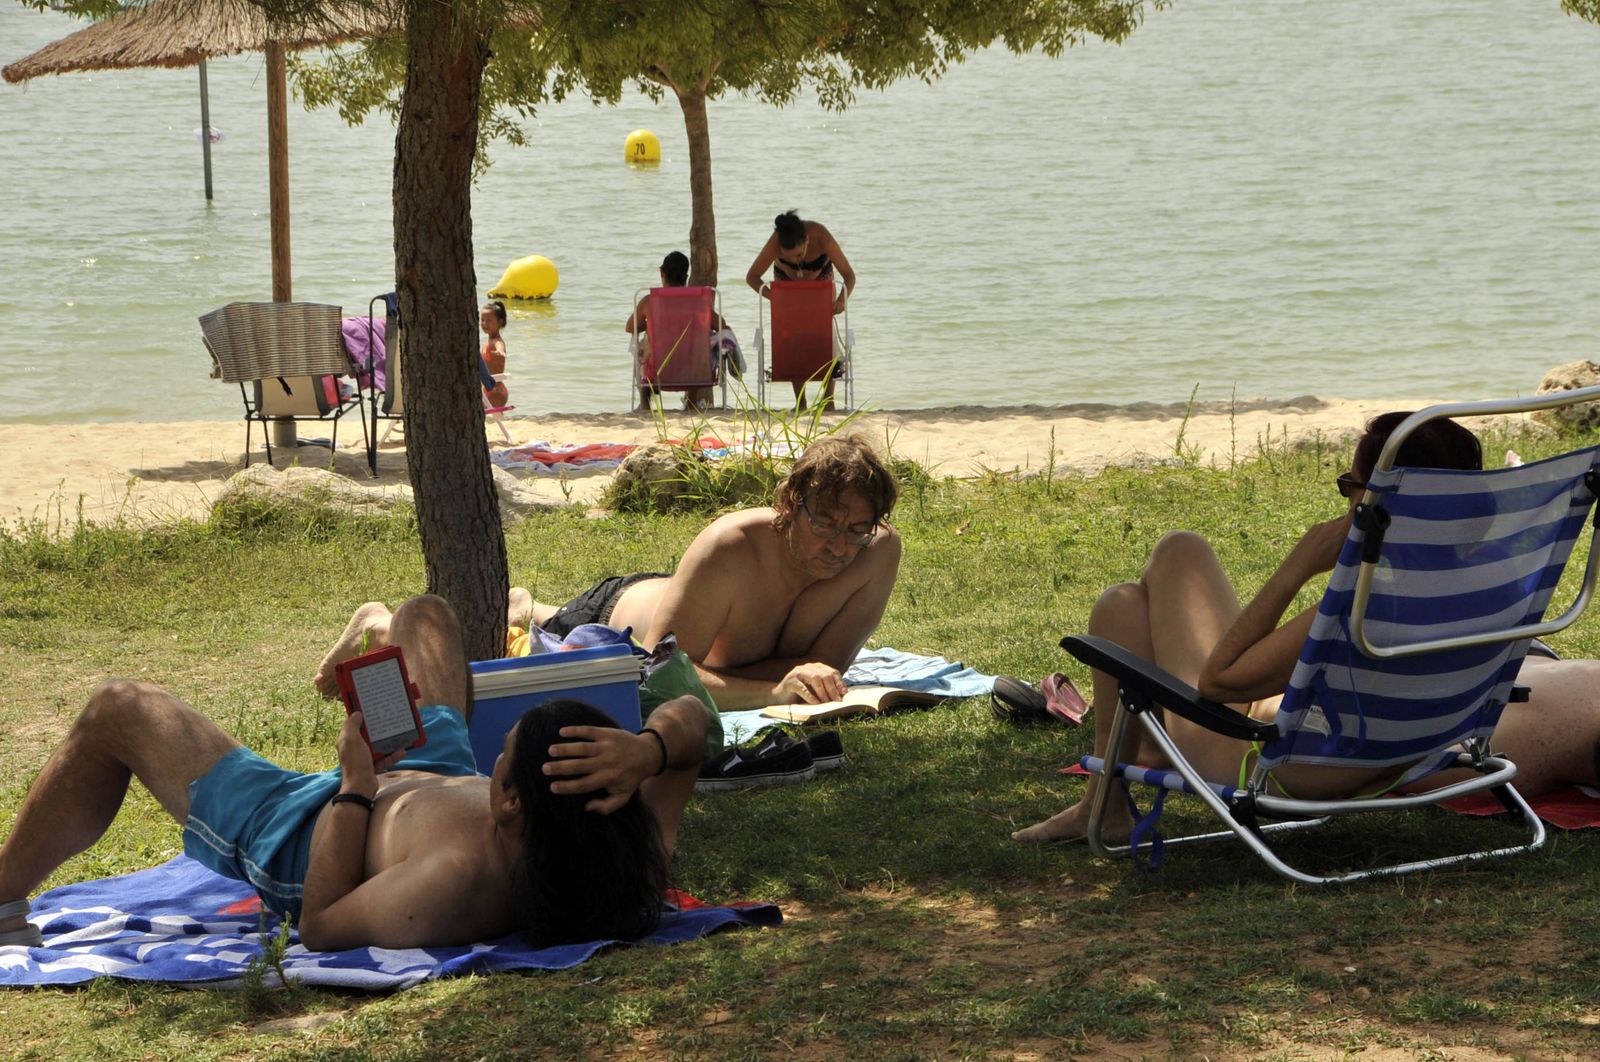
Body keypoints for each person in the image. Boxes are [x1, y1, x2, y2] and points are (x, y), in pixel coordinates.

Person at [1012, 412, 1600, 845]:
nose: (1346, 501)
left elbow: (1220, 686)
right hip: (1401, 756)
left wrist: (1299, 564)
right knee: (1121, 605)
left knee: (1179, 550)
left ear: (1376, 499)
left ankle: (1111, 792)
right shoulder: (1497, 589)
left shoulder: (1365, 607)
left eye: (1350, 487)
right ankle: (1106, 798)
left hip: (1282, 773)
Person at [0, 595, 709, 952]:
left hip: (310, 828)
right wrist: (648, 750)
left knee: (118, 710)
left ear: (512, 806)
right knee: (427, 616)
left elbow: (321, 921)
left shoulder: (452, 880)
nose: (498, 756)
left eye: (505, 758)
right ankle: (373, 642)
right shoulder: (620, 838)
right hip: (430, 773)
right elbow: (690, 717)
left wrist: (356, 784)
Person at [314, 435, 901, 713]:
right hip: (612, 623)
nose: (840, 546)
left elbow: (824, 668)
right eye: (827, 522)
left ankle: (527, 605)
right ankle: (385, 621)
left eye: (858, 528)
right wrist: (772, 691)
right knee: (485, 660)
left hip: (682, 617)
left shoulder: (876, 553)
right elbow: (656, 677)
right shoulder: (730, 548)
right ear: (789, 503)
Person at [745, 211, 856, 410]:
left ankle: (828, 399)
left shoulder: (821, 236)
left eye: (799, 255)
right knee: (793, 337)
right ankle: (800, 400)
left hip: (820, 275)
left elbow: (849, 276)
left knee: (823, 332)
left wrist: (841, 301)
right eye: (789, 257)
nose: (797, 263)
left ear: (806, 240)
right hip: (786, 282)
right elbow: (752, 277)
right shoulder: (775, 242)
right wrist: (775, 297)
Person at [626, 250, 740, 413]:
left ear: (662, 274)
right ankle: (691, 402)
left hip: (657, 372)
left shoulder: (649, 301)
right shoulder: (697, 302)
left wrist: (651, 324)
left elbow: (630, 328)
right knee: (693, 344)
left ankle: (645, 402)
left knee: (643, 344)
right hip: (693, 372)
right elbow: (721, 324)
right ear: (686, 276)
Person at [480, 299, 510, 408]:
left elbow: (499, 344)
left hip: (495, 392)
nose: (484, 323)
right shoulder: (488, 341)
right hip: (495, 390)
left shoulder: (496, 340)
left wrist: (500, 351)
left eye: (489, 321)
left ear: (499, 322)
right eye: (482, 320)